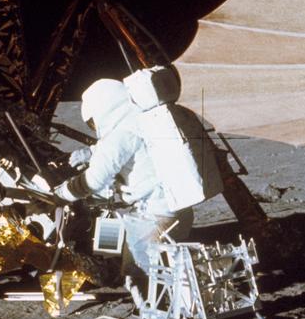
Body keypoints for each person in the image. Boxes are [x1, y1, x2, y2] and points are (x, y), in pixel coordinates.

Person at [56, 73, 216, 283]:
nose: (96, 127)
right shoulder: (142, 120)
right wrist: (91, 153)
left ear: (104, 109)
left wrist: (64, 192)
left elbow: (93, 181)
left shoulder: (119, 135)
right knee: (154, 264)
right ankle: (203, 277)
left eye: (94, 122)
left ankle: (180, 299)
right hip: (175, 209)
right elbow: (129, 149)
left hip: (156, 216)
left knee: (137, 275)